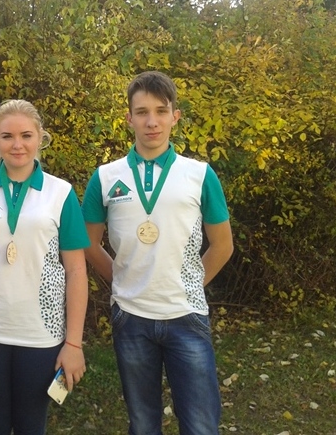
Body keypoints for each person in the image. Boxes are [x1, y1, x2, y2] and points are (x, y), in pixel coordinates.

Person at [81, 71, 234, 435]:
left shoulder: (199, 174)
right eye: (142, 112)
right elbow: (88, 242)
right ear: (129, 118)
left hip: (187, 316)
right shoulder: (105, 177)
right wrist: (122, 278)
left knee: (200, 424)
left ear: (174, 116)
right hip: (131, 317)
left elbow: (223, 245)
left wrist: (190, 284)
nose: (152, 122)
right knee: (143, 423)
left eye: (161, 111)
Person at [0, 99, 89, 435]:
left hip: (40, 333)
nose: (17, 144)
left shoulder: (60, 193)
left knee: (31, 423)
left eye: (26, 135)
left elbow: (76, 271)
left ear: (40, 137)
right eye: (7, 136)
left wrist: (74, 343)